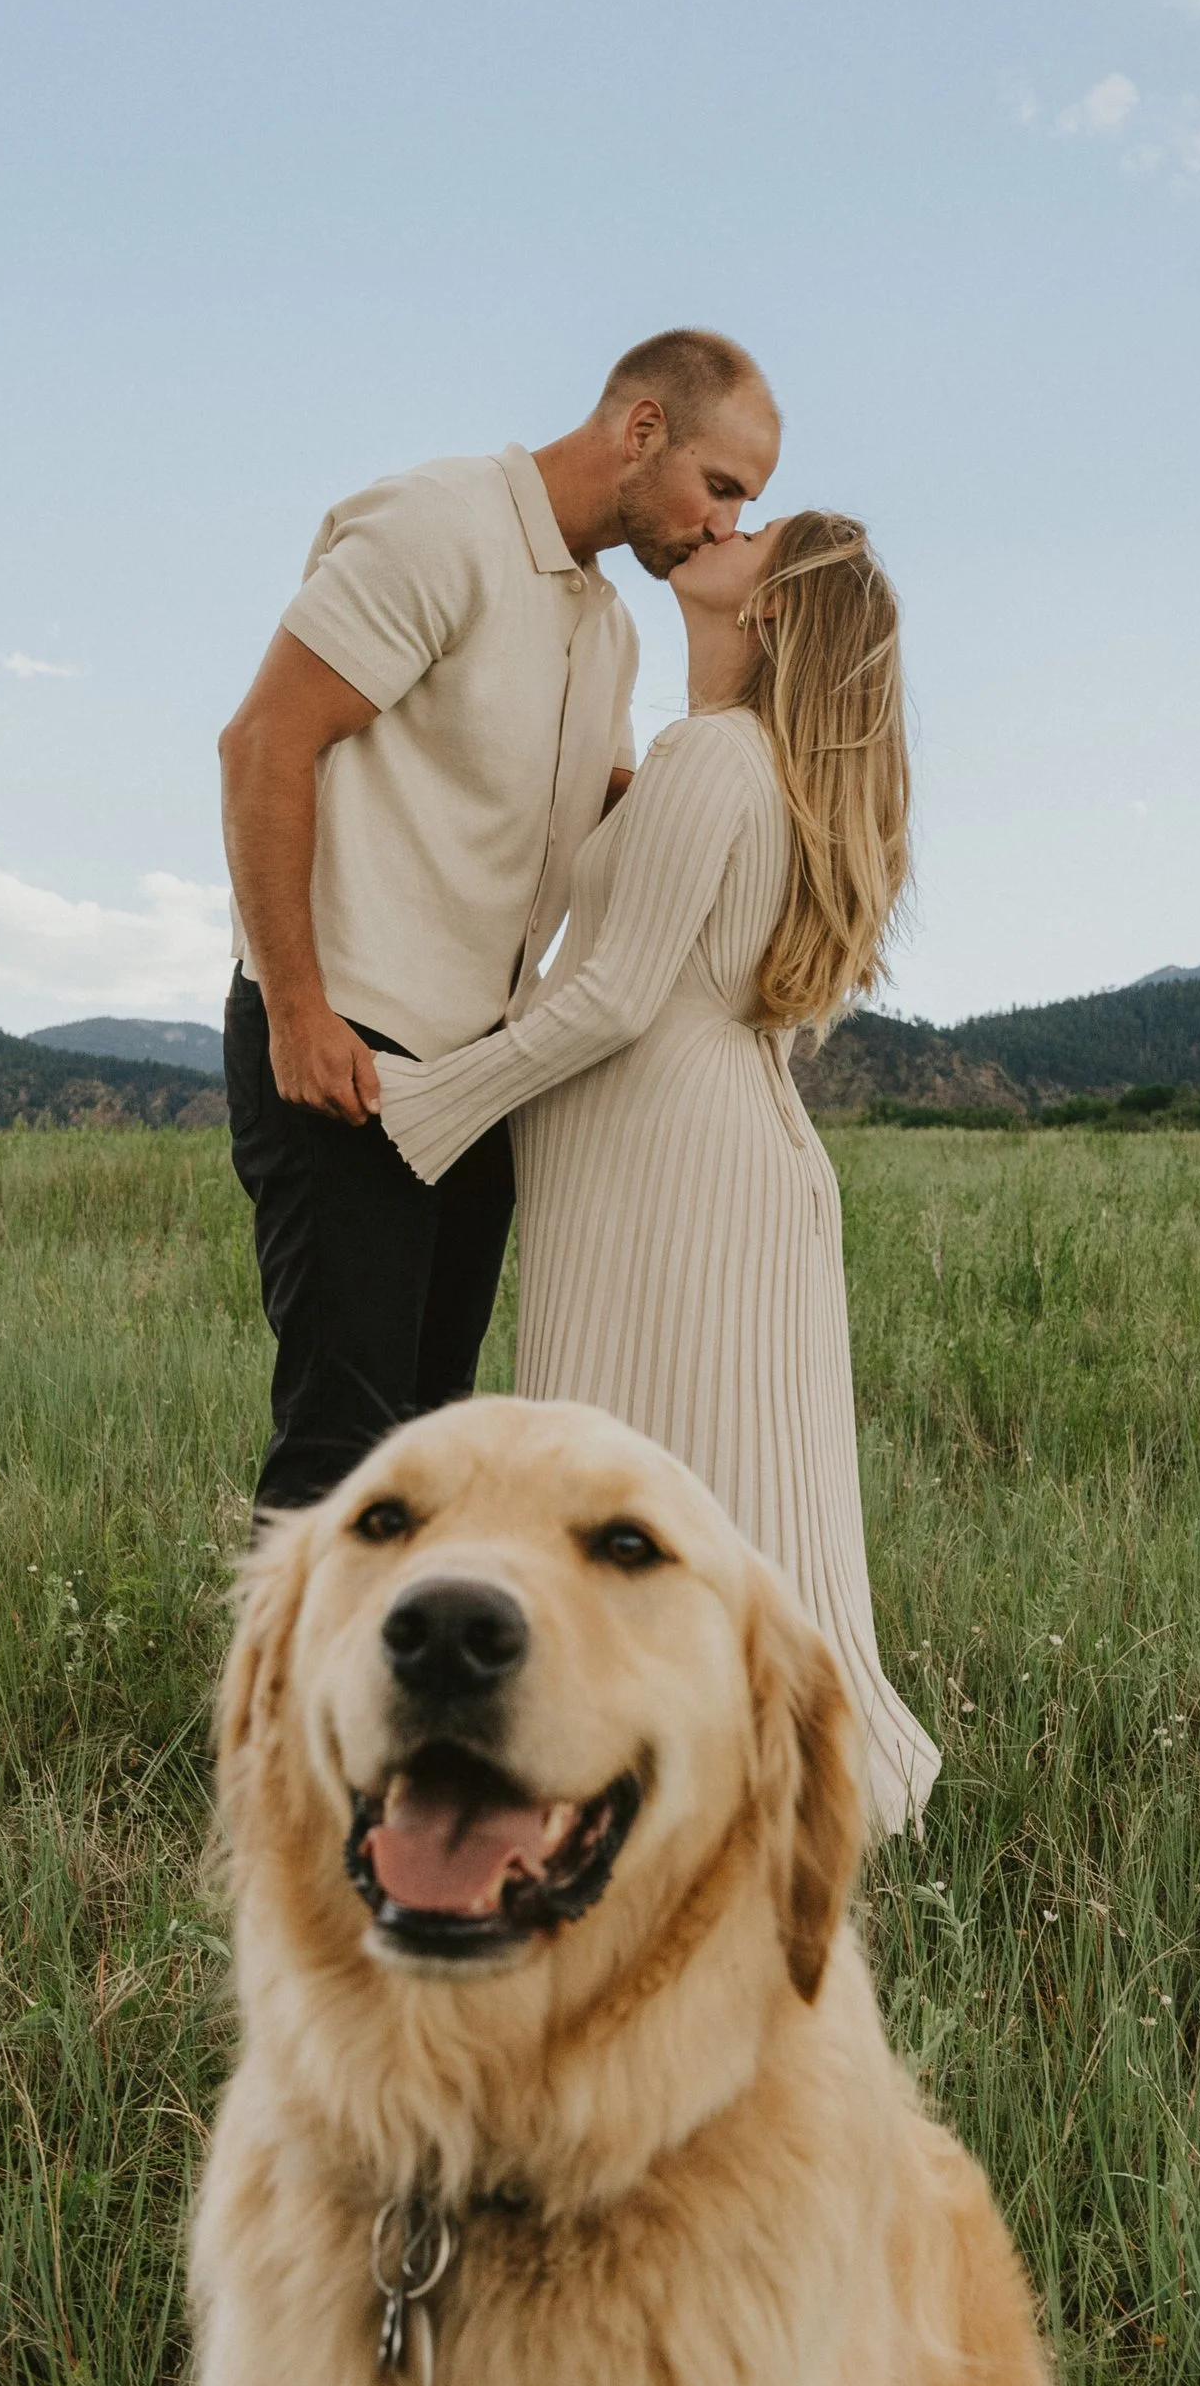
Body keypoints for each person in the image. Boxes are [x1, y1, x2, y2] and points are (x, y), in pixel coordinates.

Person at [373, 511, 938, 1833]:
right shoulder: (753, 770)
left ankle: (685, 1767)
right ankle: (720, 1759)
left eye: (756, 531)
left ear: (780, 606)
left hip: (669, 1167)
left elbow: (618, 994)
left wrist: (417, 1108)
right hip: (713, 1148)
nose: (718, 526)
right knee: (711, 1475)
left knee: (651, 1468)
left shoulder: (718, 759)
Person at [218, 331, 782, 1516]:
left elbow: (610, 821)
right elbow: (266, 741)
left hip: (477, 1089)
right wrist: (298, 1011)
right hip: (348, 1052)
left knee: (432, 1458)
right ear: (640, 430)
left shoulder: (611, 630)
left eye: (745, 504)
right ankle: (267, 1710)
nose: (726, 525)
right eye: (720, 486)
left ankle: (386, 1709)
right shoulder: (441, 524)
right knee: (343, 1452)